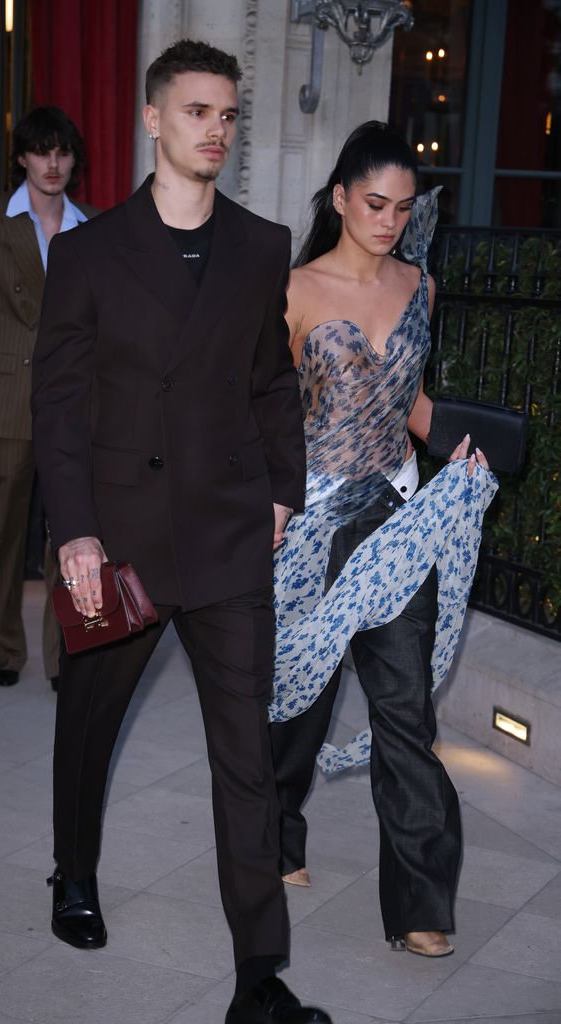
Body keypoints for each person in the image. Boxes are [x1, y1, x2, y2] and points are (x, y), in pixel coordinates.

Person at [32, 39, 331, 1024]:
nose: (214, 128)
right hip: (117, 540)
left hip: (226, 536)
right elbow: (61, 404)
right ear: (153, 120)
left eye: (227, 115)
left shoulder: (258, 243)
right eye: (196, 110)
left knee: (245, 754)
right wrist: (72, 529)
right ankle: (72, 870)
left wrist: (281, 489)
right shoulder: (86, 252)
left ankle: (258, 976)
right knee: (89, 724)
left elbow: (268, 380)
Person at [268, 122, 496, 959]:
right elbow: (264, 411)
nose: (389, 220)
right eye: (373, 203)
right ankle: (277, 839)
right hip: (313, 517)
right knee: (299, 698)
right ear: (339, 198)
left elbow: (408, 400)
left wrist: (461, 448)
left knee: (404, 711)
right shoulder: (291, 289)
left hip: (398, 516)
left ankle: (419, 905)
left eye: (402, 207)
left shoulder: (419, 286)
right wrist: (272, 503)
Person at [0, 106, 99, 689]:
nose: (52, 164)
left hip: (74, 408)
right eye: (41, 151)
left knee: (73, 538)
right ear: (23, 157)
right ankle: (3, 649)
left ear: (74, 160)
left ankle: (65, 658)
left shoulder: (91, 225)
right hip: (1, 400)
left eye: (62, 152)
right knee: (2, 536)